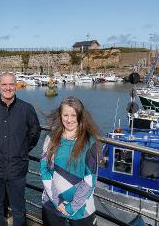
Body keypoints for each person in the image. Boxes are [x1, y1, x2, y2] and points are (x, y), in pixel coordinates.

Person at [0, 72, 41, 226]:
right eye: (4, 84)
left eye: (11, 84)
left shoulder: (26, 109)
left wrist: (22, 149)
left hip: (17, 167)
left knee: (19, 207)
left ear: (16, 86)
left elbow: (35, 132)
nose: (8, 88)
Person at [40, 96, 99, 226]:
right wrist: (57, 201)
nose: (69, 119)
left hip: (82, 209)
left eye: (73, 115)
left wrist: (72, 207)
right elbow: (44, 170)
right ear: (60, 116)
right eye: (65, 115)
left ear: (80, 116)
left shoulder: (89, 142)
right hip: (52, 205)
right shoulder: (50, 138)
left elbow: (90, 178)